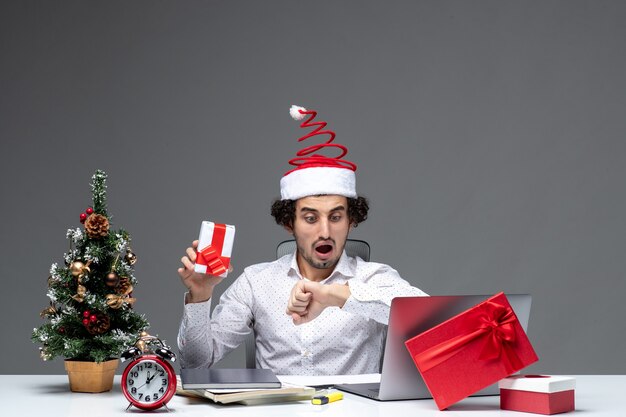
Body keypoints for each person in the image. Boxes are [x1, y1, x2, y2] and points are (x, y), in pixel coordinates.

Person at [177, 105, 428, 375]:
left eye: (335, 217)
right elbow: (196, 364)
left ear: (351, 221)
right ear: (289, 223)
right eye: (310, 218)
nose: (325, 232)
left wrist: (333, 295)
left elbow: (427, 317)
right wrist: (200, 296)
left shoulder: (374, 277)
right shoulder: (255, 282)